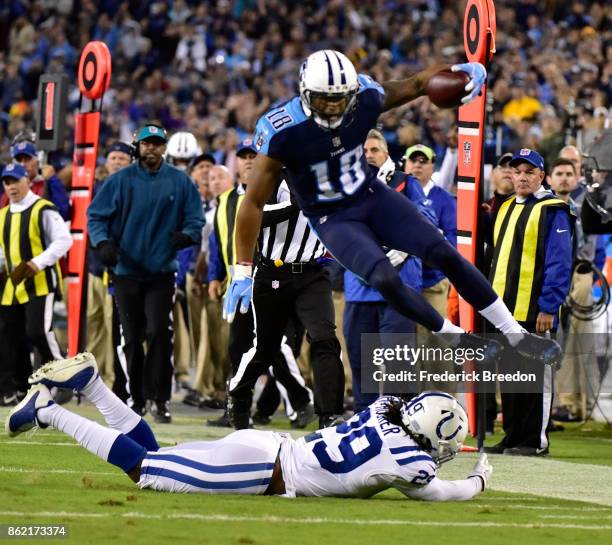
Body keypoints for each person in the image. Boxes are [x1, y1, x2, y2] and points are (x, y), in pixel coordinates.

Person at [226, 49, 560, 370]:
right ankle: (455, 339)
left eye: (339, 98)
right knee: (385, 277)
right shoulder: (281, 129)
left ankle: (517, 336)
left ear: (352, 91)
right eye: (323, 98)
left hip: (369, 193)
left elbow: (416, 84)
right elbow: (253, 200)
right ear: (304, 93)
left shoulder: (365, 97)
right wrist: (242, 269)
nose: (332, 107)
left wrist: (456, 72)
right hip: (331, 217)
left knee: (443, 252)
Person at [8, 352, 492, 502]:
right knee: (145, 469)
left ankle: (92, 386)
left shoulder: (384, 408)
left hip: (264, 447)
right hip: (264, 471)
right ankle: (48, 411)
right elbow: (442, 492)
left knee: (155, 450)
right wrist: (478, 480)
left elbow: (405, 400)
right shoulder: (407, 460)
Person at [87, 123, 204, 423]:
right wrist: (102, 243)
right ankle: (135, 398)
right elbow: (96, 216)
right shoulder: (120, 180)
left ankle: (160, 399)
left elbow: (195, 218)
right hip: (125, 270)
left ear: (164, 148)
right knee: (132, 336)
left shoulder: (180, 182)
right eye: (146, 143)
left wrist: (187, 234)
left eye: (156, 143)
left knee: (159, 333)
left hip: (161, 272)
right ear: (137, 146)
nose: (151, 148)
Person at [207, 141, 315, 429]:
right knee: (238, 346)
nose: (249, 161)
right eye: (243, 157)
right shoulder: (226, 199)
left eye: (254, 155)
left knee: (274, 345)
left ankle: (299, 402)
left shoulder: (274, 189)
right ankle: (239, 405)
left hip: (271, 275)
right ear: (237, 163)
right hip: (237, 281)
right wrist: (215, 276)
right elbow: (220, 241)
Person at [483, 149, 573, 456]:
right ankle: (513, 436)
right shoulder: (505, 207)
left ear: (541, 177)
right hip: (503, 312)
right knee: (510, 376)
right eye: (517, 171)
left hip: (535, 312)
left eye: (528, 171)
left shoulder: (553, 209)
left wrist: (549, 306)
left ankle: (534, 441)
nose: (521, 176)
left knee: (535, 377)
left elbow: (560, 262)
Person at [343, 130, 427, 410]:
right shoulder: (346, 188)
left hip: (399, 288)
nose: (368, 155)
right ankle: (363, 425)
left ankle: (400, 427)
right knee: (361, 364)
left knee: (397, 364)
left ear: (387, 154)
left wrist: (399, 250)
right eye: (363, 151)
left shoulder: (405, 183)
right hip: (359, 287)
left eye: (374, 150)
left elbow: (426, 222)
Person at [0, 163, 72, 406]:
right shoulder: (2, 215)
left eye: (15, 181)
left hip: (40, 282)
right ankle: (22, 387)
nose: (11, 187)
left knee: (38, 331)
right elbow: (2, 252)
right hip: (13, 285)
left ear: (27, 181)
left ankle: (66, 377)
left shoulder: (43, 209)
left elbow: (64, 240)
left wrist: (38, 263)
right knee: (11, 337)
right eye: (7, 182)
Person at [547, 158, 604, 422]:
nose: (565, 179)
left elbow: (598, 246)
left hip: (581, 273)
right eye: (559, 173)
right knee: (550, 339)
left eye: (570, 173)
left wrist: (591, 275)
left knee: (578, 342)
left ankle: (574, 403)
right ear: (549, 178)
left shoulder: (588, 203)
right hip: (552, 276)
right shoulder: (544, 206)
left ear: (577, 175)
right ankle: (554, 402)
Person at [86, 142, 132, 387]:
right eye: (113, 156)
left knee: (116, 327)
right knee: (95, 326)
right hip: (95, 268)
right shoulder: (97, 188)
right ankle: (93, 379)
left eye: (122, 157)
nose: (116, 161)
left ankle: (116, 381)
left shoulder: (133, 187)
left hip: (121, 269)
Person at [1, 141, 70, 220]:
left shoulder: (47, 183)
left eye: (27, 159)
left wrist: (53, 179)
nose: (23, 164)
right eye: (19, 161)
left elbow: (64, 213)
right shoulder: (10, 188)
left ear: (37, 161)